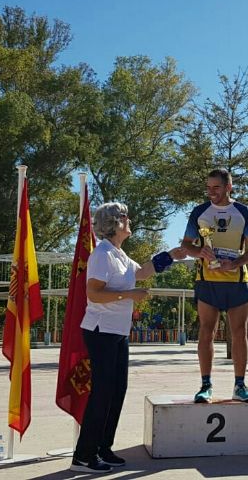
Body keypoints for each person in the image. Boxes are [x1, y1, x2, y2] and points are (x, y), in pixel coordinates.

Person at [71, 202, 186, 474]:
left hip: (118, 331)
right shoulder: (102, 254)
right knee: (103, 392)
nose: (129, 220)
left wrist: (172, 255)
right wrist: (129, 295)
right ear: (114, 223)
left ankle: (103, 447)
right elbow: (94, 294)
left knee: (116, 391)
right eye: (125, 217)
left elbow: (142, 271)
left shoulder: (119, 254)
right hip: (101, 330)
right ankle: (84, 456)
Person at [181, 168, 248, 404]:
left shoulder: (244, 212)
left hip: (237, 281)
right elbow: (187, 245)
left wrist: (236, 262)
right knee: (207, 332)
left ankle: (240, 385)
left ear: (229, 187)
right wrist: (200, 252)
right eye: (208, 187)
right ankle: (205, 386)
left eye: (216, 187)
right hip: (207, 281)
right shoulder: (199, 212)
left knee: (239, 332)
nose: (211, 192)